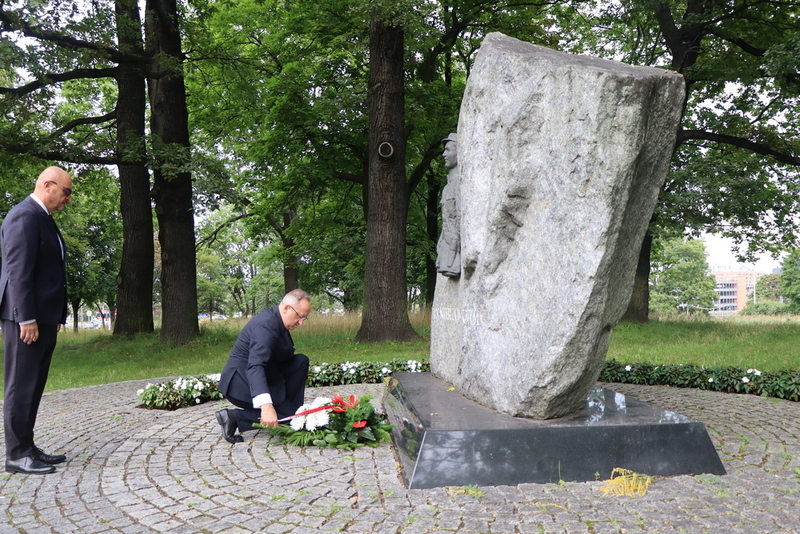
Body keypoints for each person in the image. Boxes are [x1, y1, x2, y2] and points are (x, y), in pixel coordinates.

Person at [0, 166, 72, 475]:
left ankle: (27, 446)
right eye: (66, 192)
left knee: (33, 385)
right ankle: (17, 454)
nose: (68, 198)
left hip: (43, 318)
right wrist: (26, 317)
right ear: (48, 185)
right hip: (25, 320)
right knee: (20, 384)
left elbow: (51, 272)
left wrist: (55, 315)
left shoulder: (43, 218)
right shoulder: (24, 216)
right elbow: (18, 273)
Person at [215, 289, 312, 443]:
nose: (300, 322)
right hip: (241, 383)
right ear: (287, 308)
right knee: (290, 418)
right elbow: (255, 366)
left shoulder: (278, 319)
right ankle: (233, 417)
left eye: (304, 319)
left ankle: (290, 411)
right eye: (299, 317)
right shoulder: (266, 325)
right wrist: (266, 406)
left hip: (267, 375)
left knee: (300, 361)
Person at [436, 133, 461, 277]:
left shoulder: (459, 183)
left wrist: (454, 248)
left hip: (454, 252)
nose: (444, 154)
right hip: (446, 250)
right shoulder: (448, 187)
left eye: (448, 150)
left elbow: (460, 218)